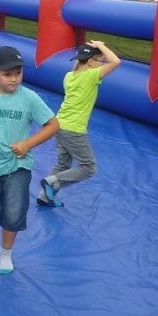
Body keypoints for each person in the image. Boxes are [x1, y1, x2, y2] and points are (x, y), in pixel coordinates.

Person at [0, 46, 58, 274]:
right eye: (8, 74)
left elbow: (53, 124)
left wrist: (28, 144)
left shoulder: (29, 98)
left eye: (18, 73)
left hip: (19, 166)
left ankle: (5, 253)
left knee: (14, 212)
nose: (14, 78)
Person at [38, 41, 121, 207]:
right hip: (73, 129)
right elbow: (116, 62)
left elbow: (83, 65)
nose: (102, 64)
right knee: (88, 168)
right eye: (100, 61)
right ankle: (52, 181)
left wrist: (94, 53)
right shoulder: (91, 76)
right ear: (90, 62)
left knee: (63, 164)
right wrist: (101, 45)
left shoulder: (69, 76)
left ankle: (44, 197)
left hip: (58, 124)